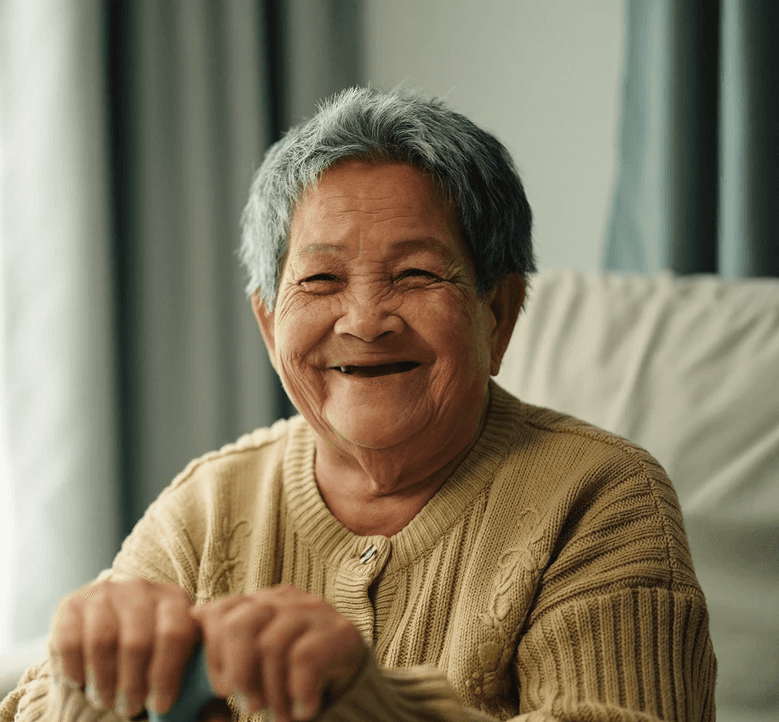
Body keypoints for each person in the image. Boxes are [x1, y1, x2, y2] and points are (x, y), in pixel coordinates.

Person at [0, 87, 716, 722]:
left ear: (497, 313)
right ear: (269, 324)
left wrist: (365, 701)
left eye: (416, 274)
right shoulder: (209, 506)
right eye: (320, 280)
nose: (366, 321)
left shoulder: (601, 497)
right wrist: (92, 682)